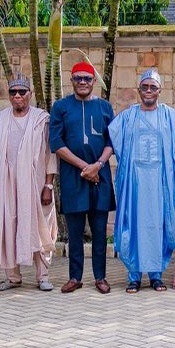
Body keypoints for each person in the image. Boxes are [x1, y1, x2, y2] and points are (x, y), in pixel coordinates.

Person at [108, 68, 175, 292]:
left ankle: (156, 275)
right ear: (139, 90)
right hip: (135, 184)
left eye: (153, 87)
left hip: (160, 184)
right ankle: (134, 276)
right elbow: (115, 143)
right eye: (145, 87)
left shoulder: (171, 117)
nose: (149, 90)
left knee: (158, 226)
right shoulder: (126, 117)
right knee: (133, 225)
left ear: (160, 90)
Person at [0, 75, 58, 291]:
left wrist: (48, 186)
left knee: (40, 227)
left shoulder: (41, 120)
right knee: (8, 226)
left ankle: (43, 276)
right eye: (13, 92)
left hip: (36, 184)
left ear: (30, 94)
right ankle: (12, 277)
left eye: (22, 92)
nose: (17, 95)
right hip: (6, 184)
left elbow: (50, 154)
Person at [49, 61, 115, 293]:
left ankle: (100, 277)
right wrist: (86, 168)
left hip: (100, 178)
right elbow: (56, 142)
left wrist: (98, 165)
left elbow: (111, 141)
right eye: (78, 78)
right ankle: (75, 277)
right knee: (75, 232)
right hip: (73, 177)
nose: (83, 82)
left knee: (99, 231)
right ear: (72, 80)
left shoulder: (105, 107)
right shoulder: (61, 107)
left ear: (94, 81)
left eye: (87, 78)